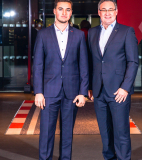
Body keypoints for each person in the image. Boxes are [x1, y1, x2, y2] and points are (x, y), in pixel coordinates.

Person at [33, 0, 89, 159]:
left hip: (71, 92)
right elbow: (38, 65)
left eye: (68, 10)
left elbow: (84, 65)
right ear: (54, 11)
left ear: (71, 13)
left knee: (67, 134)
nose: (64, 12)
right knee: (46, 133)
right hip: (49, 92)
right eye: (61, 9)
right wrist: (38, 92)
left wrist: (82, 92)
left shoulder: (78, 35)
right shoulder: (43, 34)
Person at [88, 0, 139, 159]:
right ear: (99, 12)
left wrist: (125, 87)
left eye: (111, 9)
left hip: (119, 91)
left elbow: (133, 62)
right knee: (105, 134)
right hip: (98, 91)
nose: (108, 13)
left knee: (121, 133)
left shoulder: (126, 32)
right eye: (104, 10)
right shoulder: (92, 32)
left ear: (116, 11)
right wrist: (89, 86)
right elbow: (92, 61)